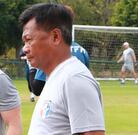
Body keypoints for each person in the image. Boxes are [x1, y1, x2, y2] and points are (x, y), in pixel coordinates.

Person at [19, 3, 105, 135]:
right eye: (24, 42)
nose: (25, 49)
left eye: (29, 40)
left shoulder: (74, 79)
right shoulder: (57, 77)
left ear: (55, 37)